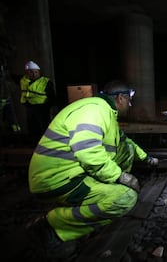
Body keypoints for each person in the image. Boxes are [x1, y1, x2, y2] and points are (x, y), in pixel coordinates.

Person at [25, 80, 159, 259]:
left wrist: (147, 159)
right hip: (57, 179)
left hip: (71, 171)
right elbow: (88, 150)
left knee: (127, 149)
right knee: (125, 198)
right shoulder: (95, 110)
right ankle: (50, 226)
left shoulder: (105, 112)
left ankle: (90, 199)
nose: (130, 105)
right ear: (120, 98)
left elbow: (127, 143)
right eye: (129, 100)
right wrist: (121, 177)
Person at [20, 60, 56, 143]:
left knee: (43, 126)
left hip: (42, 107)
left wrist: (49, 106)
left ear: (39, 72)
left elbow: (52, 96)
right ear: (27, 72)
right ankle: (33, 142)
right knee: (32, 126)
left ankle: (46, 142)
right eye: (30, 72)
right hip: (29, 106)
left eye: (35, 72)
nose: (33, 74)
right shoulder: (23, 80)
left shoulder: (45, 81)